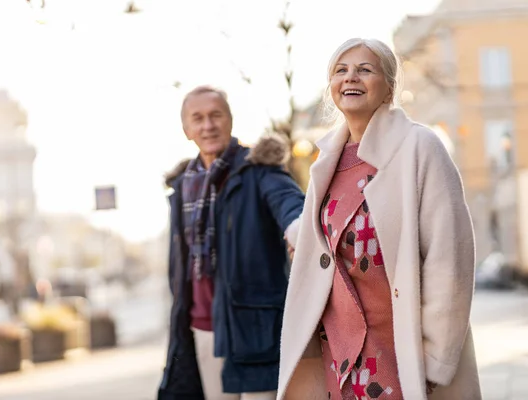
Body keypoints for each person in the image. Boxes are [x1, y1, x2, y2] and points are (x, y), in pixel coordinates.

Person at [277, 38, 481, 400]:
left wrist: (435, 357)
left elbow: (450, 257)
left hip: (400, 349)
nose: (350, 77)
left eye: (364, 69)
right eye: (341, 71)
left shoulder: (419, 147)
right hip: (340, 352)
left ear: (388, 87)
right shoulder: (326, 162)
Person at [157, 85, 305, 400]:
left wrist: (298, 230)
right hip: (203, 327)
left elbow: (291, 206)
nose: (208, 125)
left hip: (255, 327)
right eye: (197, 118)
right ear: (187, 130)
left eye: (216, 115)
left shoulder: (258, 170)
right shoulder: (183, 188)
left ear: (230, 120)